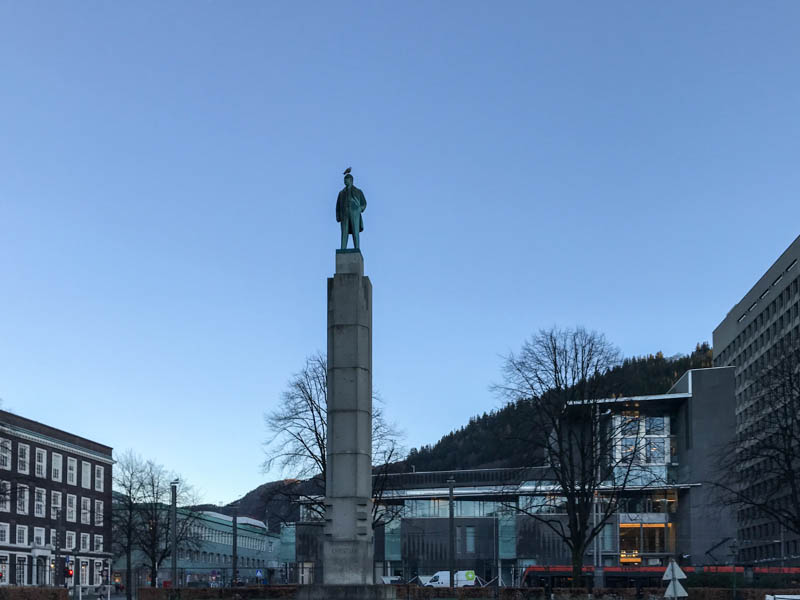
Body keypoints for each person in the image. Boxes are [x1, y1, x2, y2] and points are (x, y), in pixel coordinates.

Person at [336, 172, 367, 250]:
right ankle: (343, 248)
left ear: (351, 180)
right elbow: (338, 206)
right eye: (344, 179)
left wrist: (360, 209)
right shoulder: (341, 193)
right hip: (344, 213)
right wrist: (338, 216)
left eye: (347, 179)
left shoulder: (358, 191)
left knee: (355, 231)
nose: (345, 181)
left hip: (354, 212)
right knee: (344, 232)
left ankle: (357, 248)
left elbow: (364, 203)